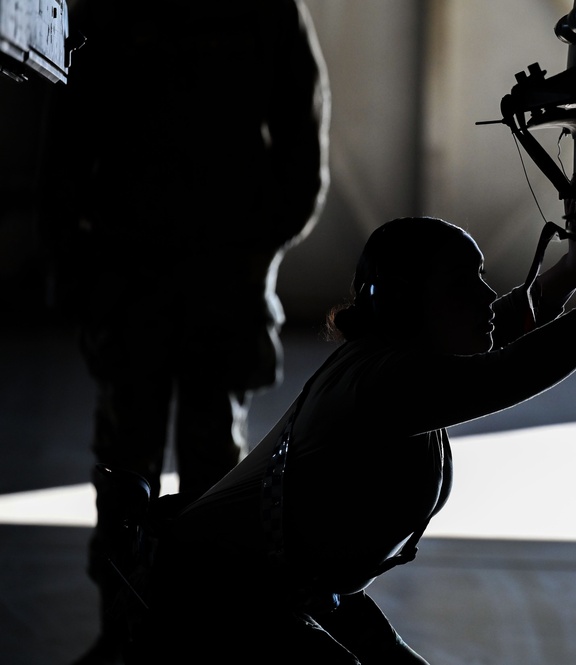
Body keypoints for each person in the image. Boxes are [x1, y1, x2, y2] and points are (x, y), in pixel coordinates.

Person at [120, 215, 576, 663]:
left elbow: (493, 327)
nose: (485, 293)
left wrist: (568, 273)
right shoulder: (382, 384)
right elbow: (508, 372)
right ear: (405, 305)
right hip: (213, 599)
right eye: (463, 282)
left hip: (275, 585)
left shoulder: (401, 358)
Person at [35, 1, 330, 663]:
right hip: (140, 276)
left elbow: (303, 155)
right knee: (131, 471)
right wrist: (74, 257)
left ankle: (198, 639)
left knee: (212, 481)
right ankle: (129, 634)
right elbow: (67, 134)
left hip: (197, 281)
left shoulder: (265, 12)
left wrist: (252, 252)